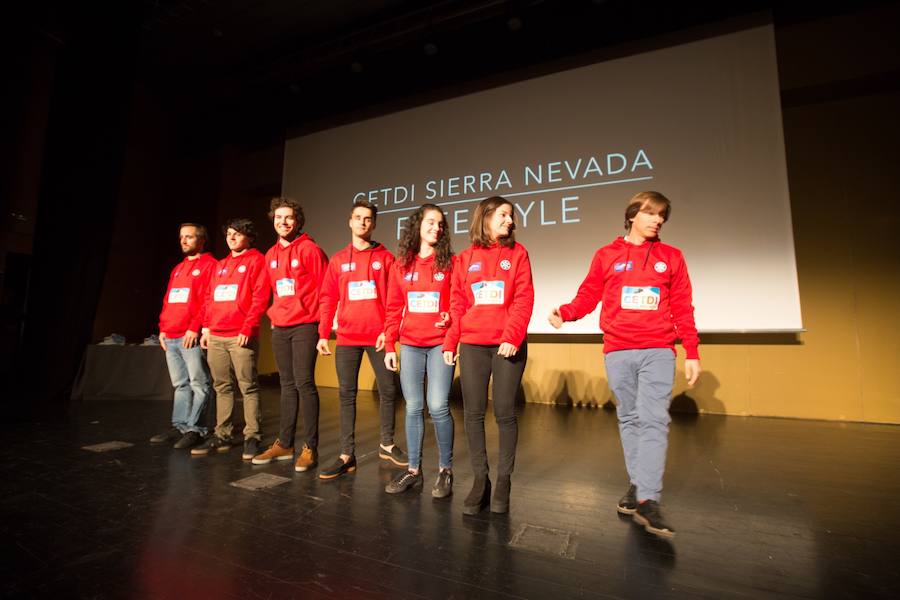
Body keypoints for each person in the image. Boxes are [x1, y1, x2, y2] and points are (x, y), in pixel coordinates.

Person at [548, 191, 701, 539]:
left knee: (654, 419)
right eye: (651, 213)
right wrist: (566, 312)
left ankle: (648, 497)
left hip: (658, 350)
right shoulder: (607, 255)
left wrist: (691, 350)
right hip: (617, 350)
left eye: (662, 215)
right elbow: (588, 294)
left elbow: (682, 306)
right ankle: (637, 486)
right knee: (629, 418)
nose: (657, 220)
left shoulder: (671, 257)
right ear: (633, 214)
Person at [443, 196, 534, 514]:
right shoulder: (464, 258)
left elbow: (524, 298)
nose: (510, 220)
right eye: (504, 215)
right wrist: (450, 342)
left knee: (506, 412)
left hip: (507, 345)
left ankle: (504, 482)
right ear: (485, 218)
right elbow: (457, 304)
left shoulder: (518, 254)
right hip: (473, 345)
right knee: (473, 413)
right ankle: (480, 480)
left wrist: (512, 336)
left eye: (512, 216)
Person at [316, 200, 407, 479]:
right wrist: (323, 333)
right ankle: (347, 454)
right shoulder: (339, 260)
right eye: (358, 218)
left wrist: (389, 333)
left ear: (374, 224)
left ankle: (387, 443)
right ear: (350, 221)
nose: (363, 223)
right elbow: (328, 298)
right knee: (346, 394)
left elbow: (395, 300)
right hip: (346, 337)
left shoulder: (386, 258)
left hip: (378, 336)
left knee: (389, 390)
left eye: (368, 219)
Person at [383, 204, 456, 497]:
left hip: (440, 343)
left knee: (437, 406)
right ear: (417, 225)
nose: (436, 228)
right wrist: (390, 344)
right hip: (410, 344)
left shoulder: (451, 263)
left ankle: (445, 470)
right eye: (430, 222)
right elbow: (392, 308)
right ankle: (413, 470)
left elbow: (459, 303)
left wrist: (450, 317)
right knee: (413, 407)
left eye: (440, 224)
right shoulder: (401, 264)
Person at [251, 198, 328, 472]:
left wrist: (323, 329)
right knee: (286, 385)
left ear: (298, 222)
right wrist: (274, 319)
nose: (283, 222)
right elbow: (272, 291)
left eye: (288, 218)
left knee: (304, 383)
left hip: (305, 325)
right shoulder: (270, 254)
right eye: (278, 218)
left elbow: (325, 290)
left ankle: (310, 447)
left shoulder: (310, 250)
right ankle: (284, 443)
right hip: (280, 327)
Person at [192, 218, 270, 460]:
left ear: (249, 236)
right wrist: (205, 328)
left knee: (248, 386)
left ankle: (252, 436)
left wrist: (248, 328)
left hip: (240, 335)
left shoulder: (258, 260)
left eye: (237, 234)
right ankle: (223, 434)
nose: (232, 238)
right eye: (229, 234)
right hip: (215, 334)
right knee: (222, 387)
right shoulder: (221, 264)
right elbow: (209, 297)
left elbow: (260, 297)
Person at [152, 223, 217, 449]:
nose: (184, 241)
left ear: (201, 240)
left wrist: (195, 327)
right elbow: (169, 299)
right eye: (182, 237)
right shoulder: (178, 268)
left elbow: (208, 301)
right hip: (171, 334)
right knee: (180, 384)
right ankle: (180, 425)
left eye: (189, 237)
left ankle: (196, 428)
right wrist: (162, 328)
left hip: (191, 335)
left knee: (199, 383)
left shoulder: (210, 265)